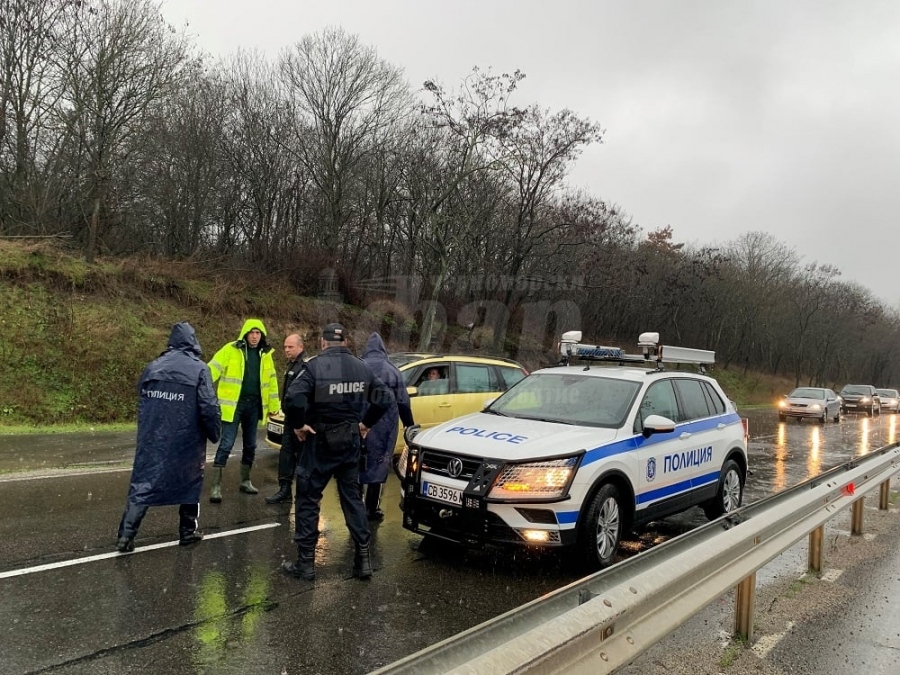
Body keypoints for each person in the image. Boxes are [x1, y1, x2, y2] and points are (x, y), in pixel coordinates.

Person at [281, 322, 394, 581]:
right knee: (352, 499)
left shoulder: (314, 367)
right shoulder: (361, 367)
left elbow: (293, 398)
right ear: (345, 343)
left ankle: (306, 564)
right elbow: (385, 398)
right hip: (349, 442)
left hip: (318, 441)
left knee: (308, 499)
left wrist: (299, 425)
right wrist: (365, 424)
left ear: (323, 343)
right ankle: (362, 561)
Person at [116, 322, 221, 552]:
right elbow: (209, 407)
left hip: (153, 438)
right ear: (193, 342)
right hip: (187, 438)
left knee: (143, 484)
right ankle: (187, 532)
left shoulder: (153, 367)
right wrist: (215, 433)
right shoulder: (199, 369)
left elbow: (141, 395)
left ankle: (126, 536)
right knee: (190, 482)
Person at [207, 318, 280, 503]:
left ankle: (245, 481)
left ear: (261, 335)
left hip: (254, 405)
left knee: (250, 445)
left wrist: (274, 407)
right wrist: (202, 390)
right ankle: (216, 486)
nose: (255, 337)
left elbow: (271, 382)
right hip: (234, 405)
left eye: (258, 333)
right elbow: (211, 370)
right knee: (227, 443)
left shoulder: (266, 354)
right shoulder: (230, 349)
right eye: (252, 333)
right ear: (245, 334)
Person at [359, 332, 415, 521]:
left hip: (360, 423)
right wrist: (409, 424)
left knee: (357, 463)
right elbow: (403, 402)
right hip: (384, 425)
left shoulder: (358, 367)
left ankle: (355, 505)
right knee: (379, 464)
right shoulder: (392, 370)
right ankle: (371, 509)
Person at [266, 333, 308, 504]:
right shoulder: (292, 365)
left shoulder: (305, 367)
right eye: (285, 347)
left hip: (301, 420)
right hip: (290, 418)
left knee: (301, 457)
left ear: (300, 347)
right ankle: (284, 489)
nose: (286, 350)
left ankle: (303, 494)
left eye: (290, 347)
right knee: (286, 454)